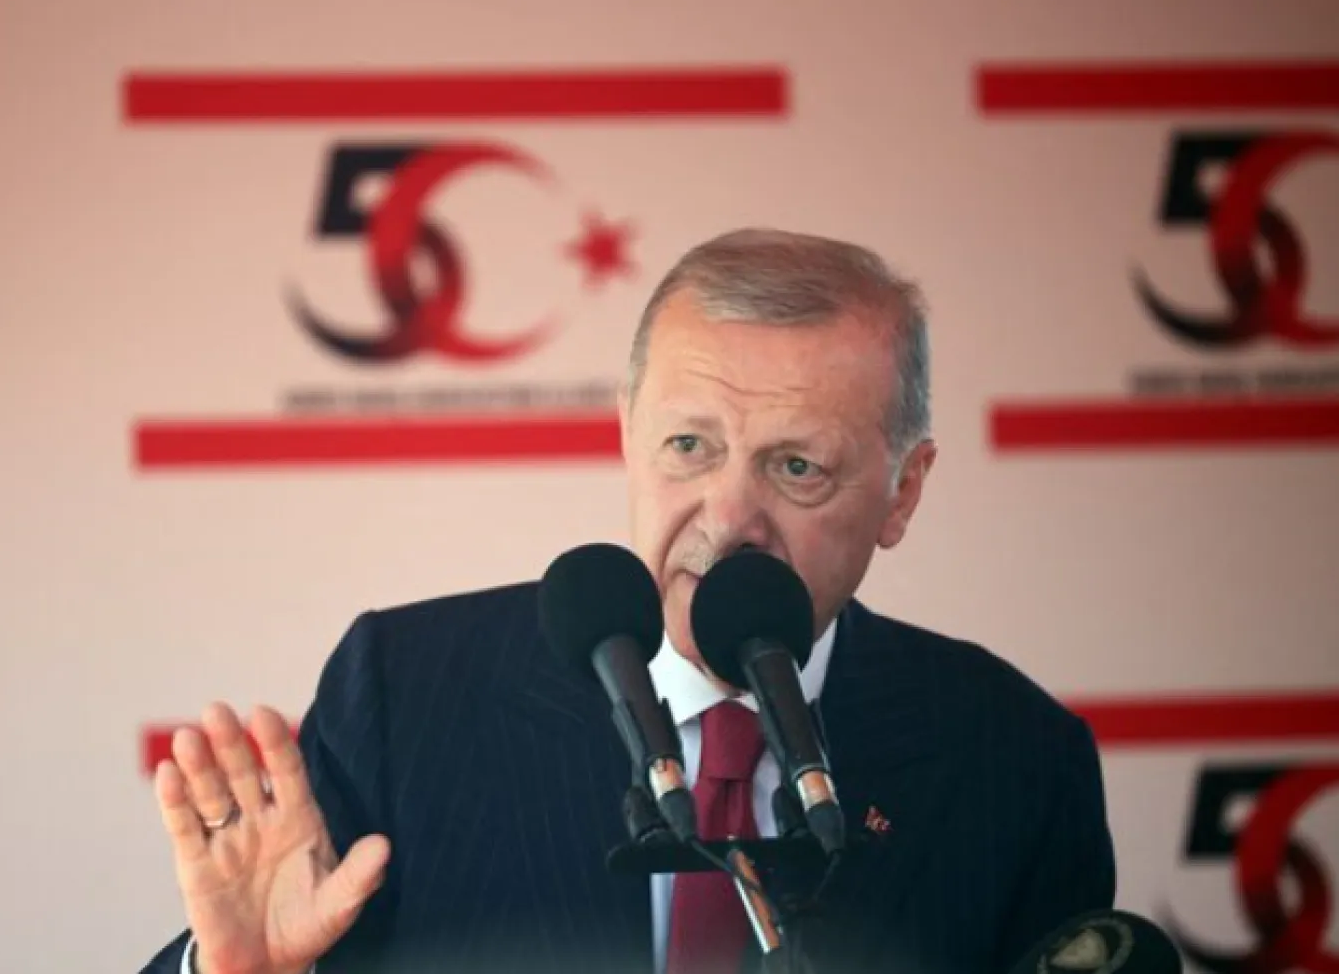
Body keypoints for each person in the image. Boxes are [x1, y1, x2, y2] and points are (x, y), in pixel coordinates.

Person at [138, 229, 1116, 974]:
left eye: (796, 464)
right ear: (625, 433)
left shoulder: (1013, 755)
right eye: (689, 446)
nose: (729, 519)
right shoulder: (406, 692)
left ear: (903, 489)